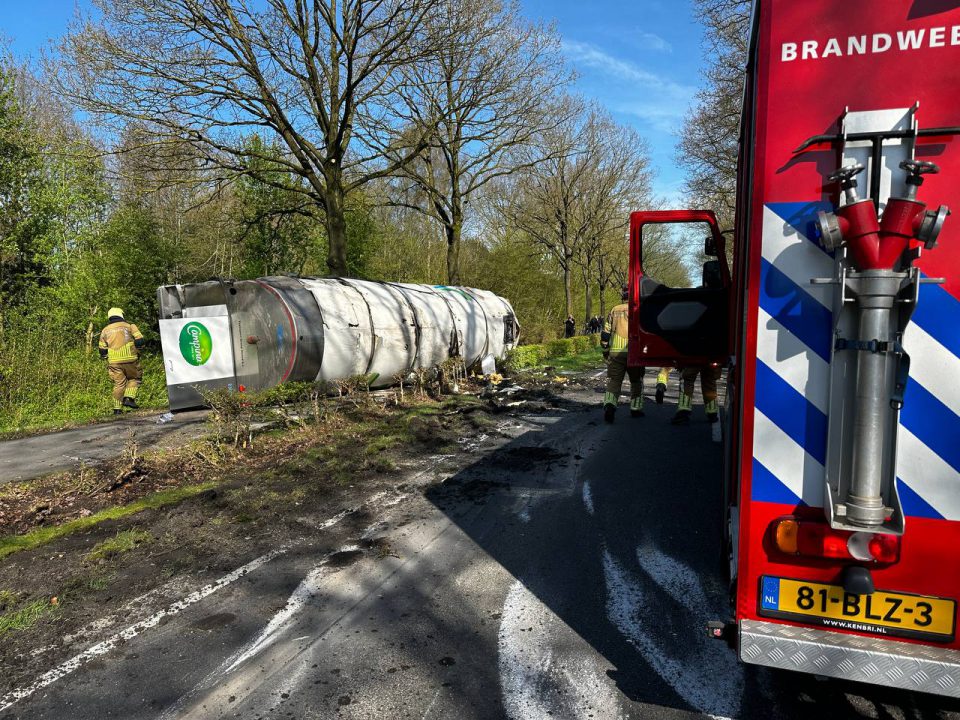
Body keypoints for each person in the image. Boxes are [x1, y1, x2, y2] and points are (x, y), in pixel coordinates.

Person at [600, 286, 644, 423]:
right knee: (636, 381)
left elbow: (605, 333)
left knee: (614, 381)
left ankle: (610, 405)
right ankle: (636, 409)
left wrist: (605, 351)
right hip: (635, 353)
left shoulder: (614, 309)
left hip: (616, 353)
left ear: (623, 297)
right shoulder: (639, 309)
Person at [98, 307, 145, 415]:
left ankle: (117, 409)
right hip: (130, 358)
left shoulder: (105, 330)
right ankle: (129, 398)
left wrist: (106, 357)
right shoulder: (130, 326)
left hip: (114, 361)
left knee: (119, 384)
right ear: (121, 315)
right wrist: (140, 349)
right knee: (135, 378)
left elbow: (102, 349)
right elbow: (140, 340)